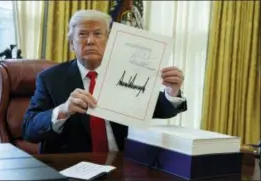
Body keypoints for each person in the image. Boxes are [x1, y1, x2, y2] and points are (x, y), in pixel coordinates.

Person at [22, 10, 187, 154]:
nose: (90, 41)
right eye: (82, 34)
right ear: (72, 44)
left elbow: (158, 107)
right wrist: (63, 110)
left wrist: (172, 92)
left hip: (122, 163)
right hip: (72, 165)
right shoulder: (50, 79)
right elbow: (29, 129)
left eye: (98, 34)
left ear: (109, 43)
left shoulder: (126, 73)